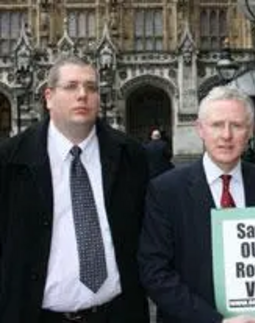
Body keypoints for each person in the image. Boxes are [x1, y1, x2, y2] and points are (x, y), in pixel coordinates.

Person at [0, 56, 150, 323]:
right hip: (35, 315)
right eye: (71, 87)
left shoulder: (131, 155)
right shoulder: (9, 159)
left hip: (116, 313)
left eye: (91, 88)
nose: (83, 95)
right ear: (48, 96)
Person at [138, 86, 255, 323]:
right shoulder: (165, 190)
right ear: (200, 129)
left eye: (236, 125)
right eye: (217, 125)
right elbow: (155, 272)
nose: (226, 135)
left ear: (250, 131)